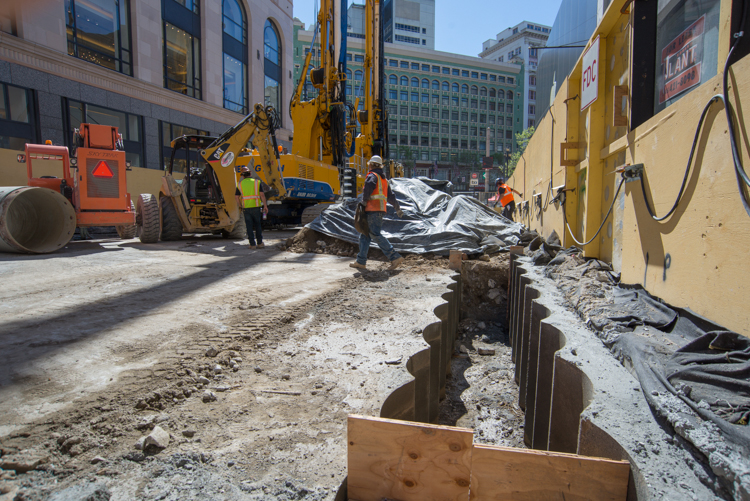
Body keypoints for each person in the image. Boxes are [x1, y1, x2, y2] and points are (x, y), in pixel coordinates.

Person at [350, 155, 405, 271]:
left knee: (375, 234)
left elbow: (368, 187)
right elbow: (391, 196)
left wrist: (364, 201)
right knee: (365, 235)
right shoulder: (384, 180)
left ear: (370, 165)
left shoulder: (372, 176)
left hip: (372, 210)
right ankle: (361, 261)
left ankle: (394, 257)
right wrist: (397, 208)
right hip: (379, 210)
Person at [235, 166, 268, 249]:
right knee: (257, 226)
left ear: (242, 176)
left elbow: (236, 197)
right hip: (256, 207)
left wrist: (240, 205)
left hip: (246, 208)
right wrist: (265, 206)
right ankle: (260, 243)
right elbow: (262, 195)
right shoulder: (257, 182)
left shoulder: (239, 184)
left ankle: (252, 244)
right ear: (250, 173)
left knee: (249, 226)